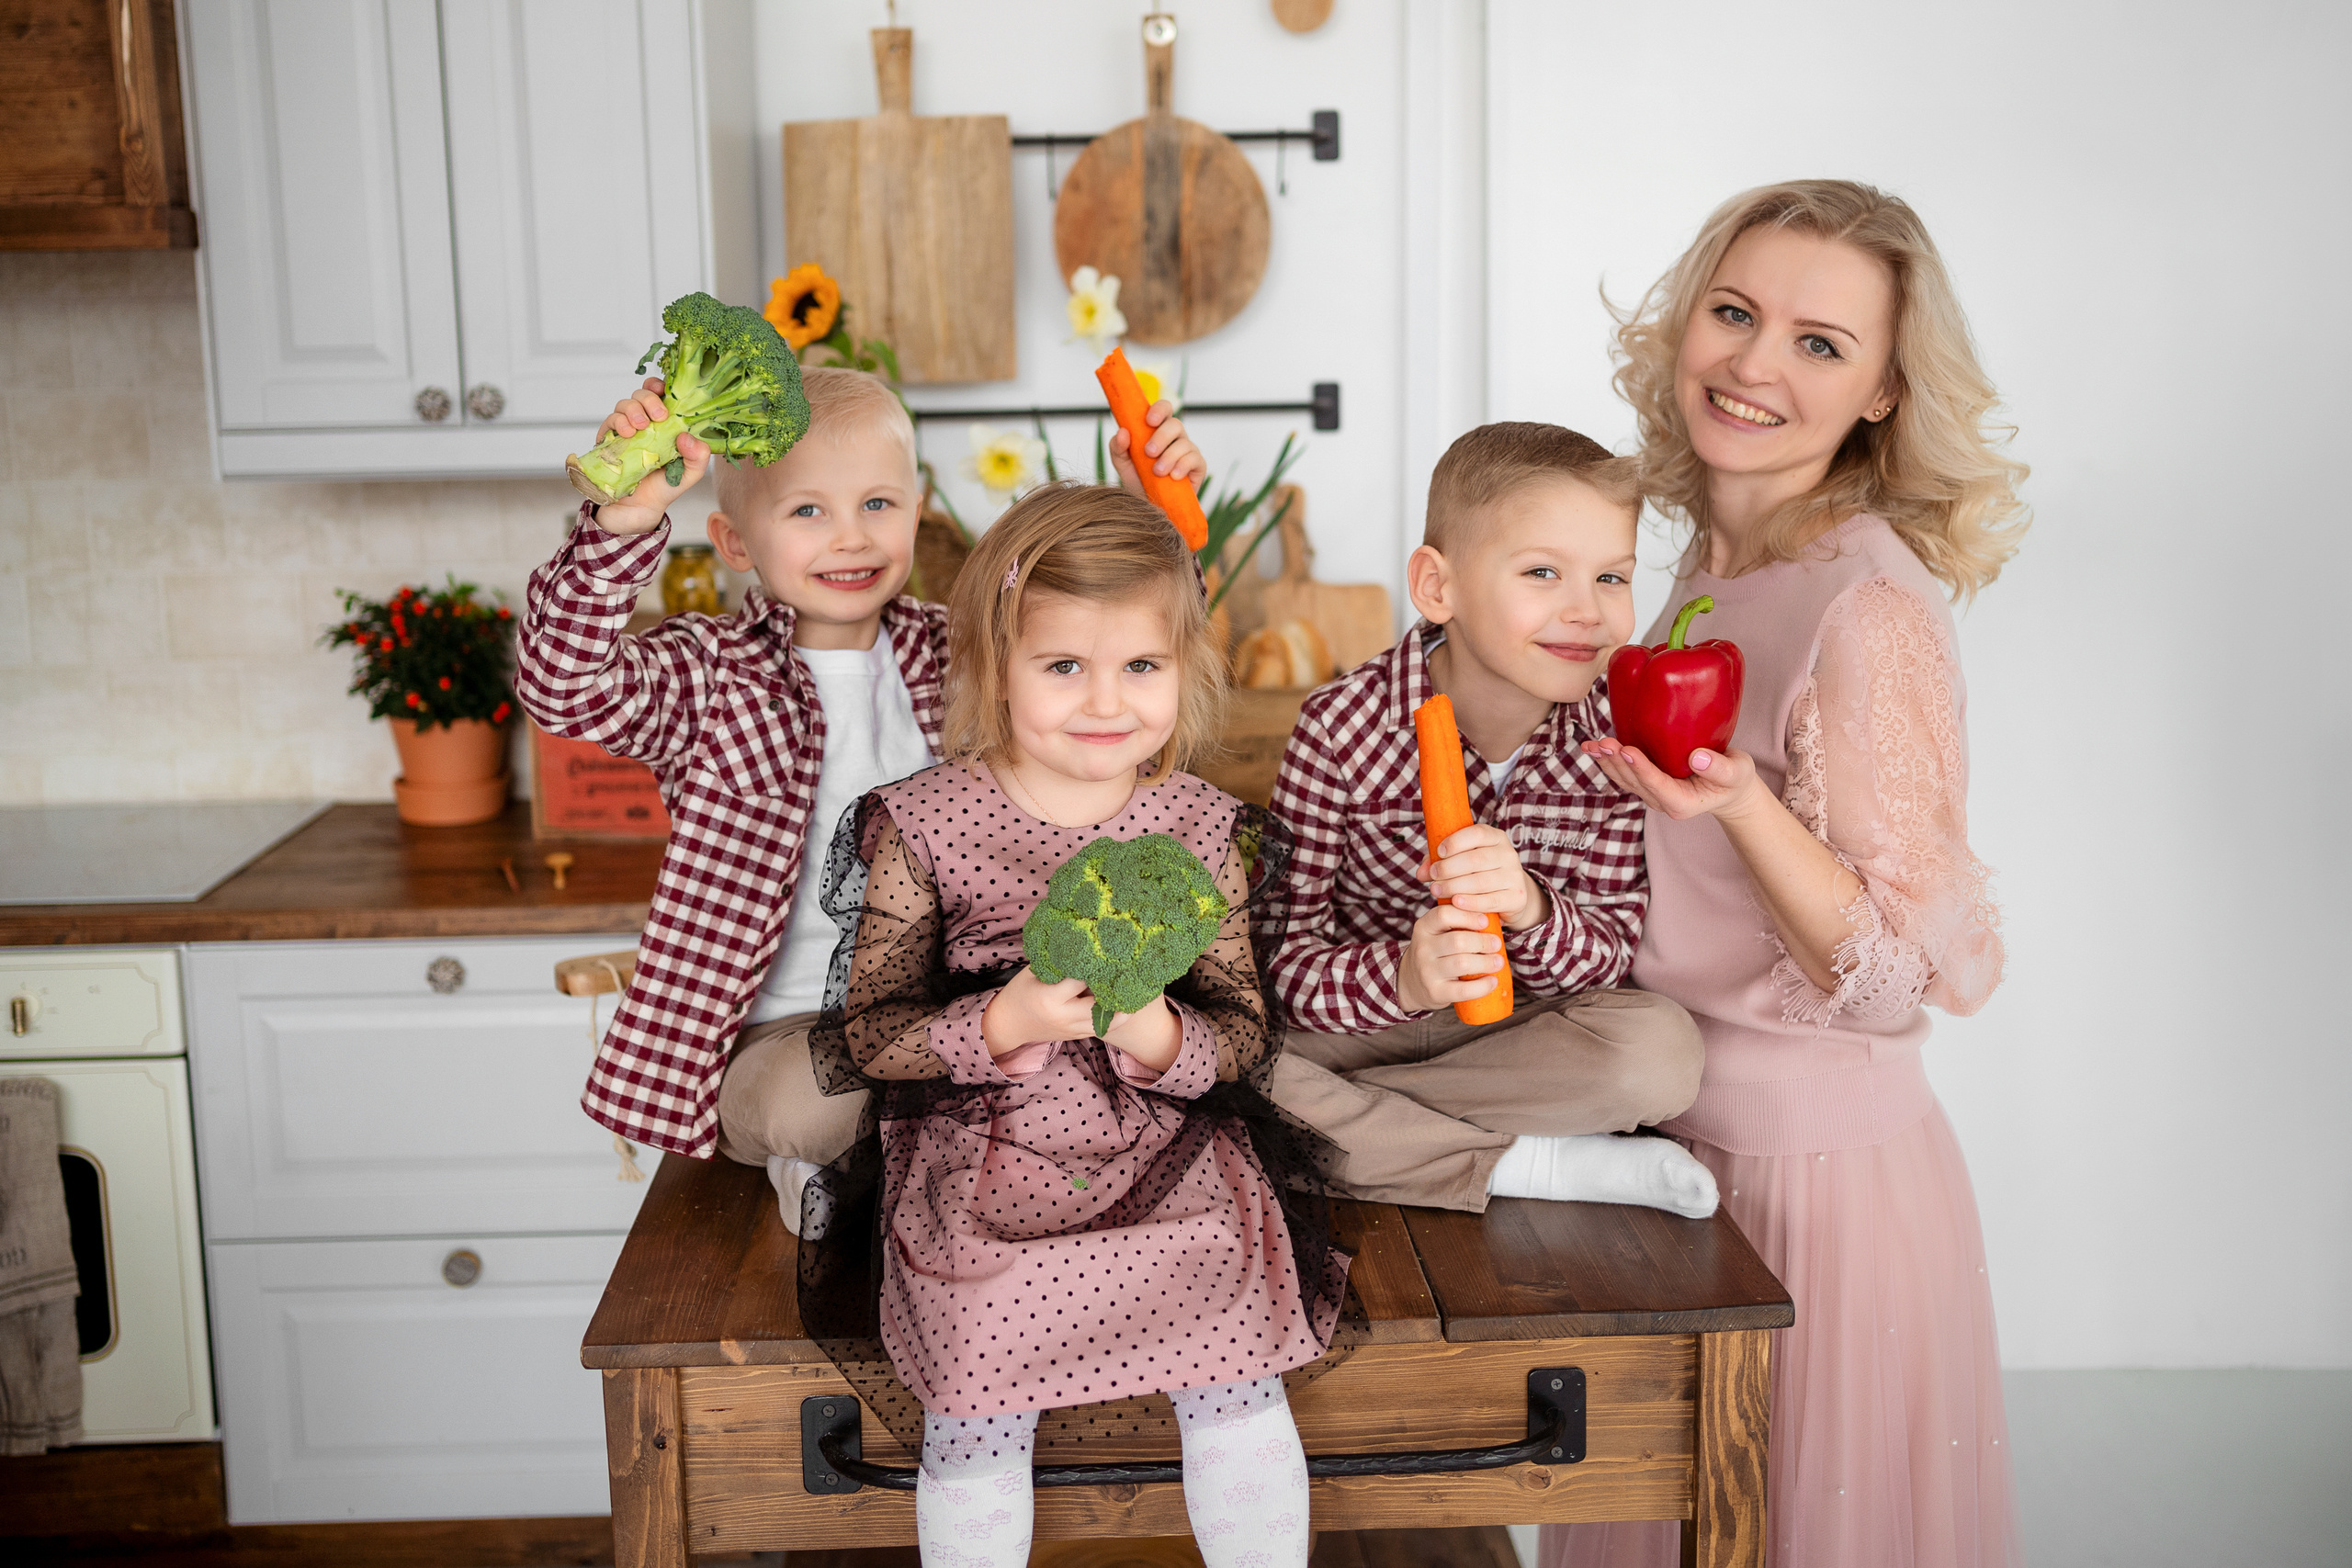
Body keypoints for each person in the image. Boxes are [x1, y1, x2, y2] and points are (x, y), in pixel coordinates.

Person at [1544, 180, 2027, 1567]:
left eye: (1821, 343)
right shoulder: (1695, 565)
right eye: (1737, 312)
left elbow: (1892, 982)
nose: (1757, 364)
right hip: (1661, 1152)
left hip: (1813, 1191)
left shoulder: (1862, 604)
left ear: (1884, 389)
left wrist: (1746, 805)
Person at [513, 364, 1202, 1224]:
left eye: (878, 504)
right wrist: (624, 518)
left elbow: (1103, 658)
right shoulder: (706, 673)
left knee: (1075, 1073)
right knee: (814, 1104)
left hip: (956, 1007)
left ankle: (981, 1191)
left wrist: (1152, 521)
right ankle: (852, 1178)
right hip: (790, 1027)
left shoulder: (961, 652)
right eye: (808, 510)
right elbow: (562, 684)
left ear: (917, 512)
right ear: (734, 542)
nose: (851, 537)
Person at [800, 483, 1347, 1568]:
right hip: (987, 1149)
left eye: (1140, 667)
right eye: (1064, 667)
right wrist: (999, 1018)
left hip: (1162, 1147)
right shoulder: (926, 823)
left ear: (1185, 669)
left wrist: (1157, 1037)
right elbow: (871, 1032)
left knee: (1236, 1350)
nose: (1106, 702)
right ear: (993, 668)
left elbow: (1240, 1028)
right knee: (973, 1359)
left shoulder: (1197, 826)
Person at [1258, 423, 1713, 1216]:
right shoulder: (1338, 727)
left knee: (1662, 1054)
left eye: (1612, 577)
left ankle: (1374, 1133)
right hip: (1369, 1025)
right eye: (1543, 572)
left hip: (1522, 1037)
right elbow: (1280, 960)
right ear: (1439, 588)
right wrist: (1402, 975)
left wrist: (1531, 908)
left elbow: (1606, 957)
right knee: (1238, 1062)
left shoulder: (1617, 732)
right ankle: (1529, 1165)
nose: (1587, 612)